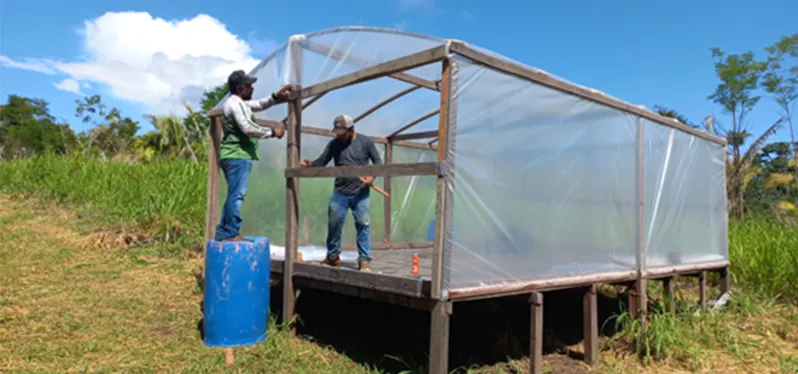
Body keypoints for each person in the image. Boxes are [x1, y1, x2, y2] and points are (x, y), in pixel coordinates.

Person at [215, 69, 293, 242]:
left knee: (233, 194)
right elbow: (247, 127)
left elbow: (258, 104)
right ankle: (230, 232)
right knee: (237, 195)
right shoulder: (235, 104)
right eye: (249, 86)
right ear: (239, 88)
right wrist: (272, 132)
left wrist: (275, 96)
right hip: (237, 155)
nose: (252, 89)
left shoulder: (237, 102)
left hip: (234, 155)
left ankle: (225, 230)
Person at [300, 114, 382, 272]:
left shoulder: (365, 142)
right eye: (338, 133)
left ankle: (364, 260)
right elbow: (321, 162)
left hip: (361, 192)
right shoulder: (334, 144)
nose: (340, 136)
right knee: (334, 223)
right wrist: (310, 164)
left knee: (363, 224)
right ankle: (332, 257)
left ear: (352, 130)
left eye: (343, 133)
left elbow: (377, 162)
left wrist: (371, 177)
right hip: (340, 192)